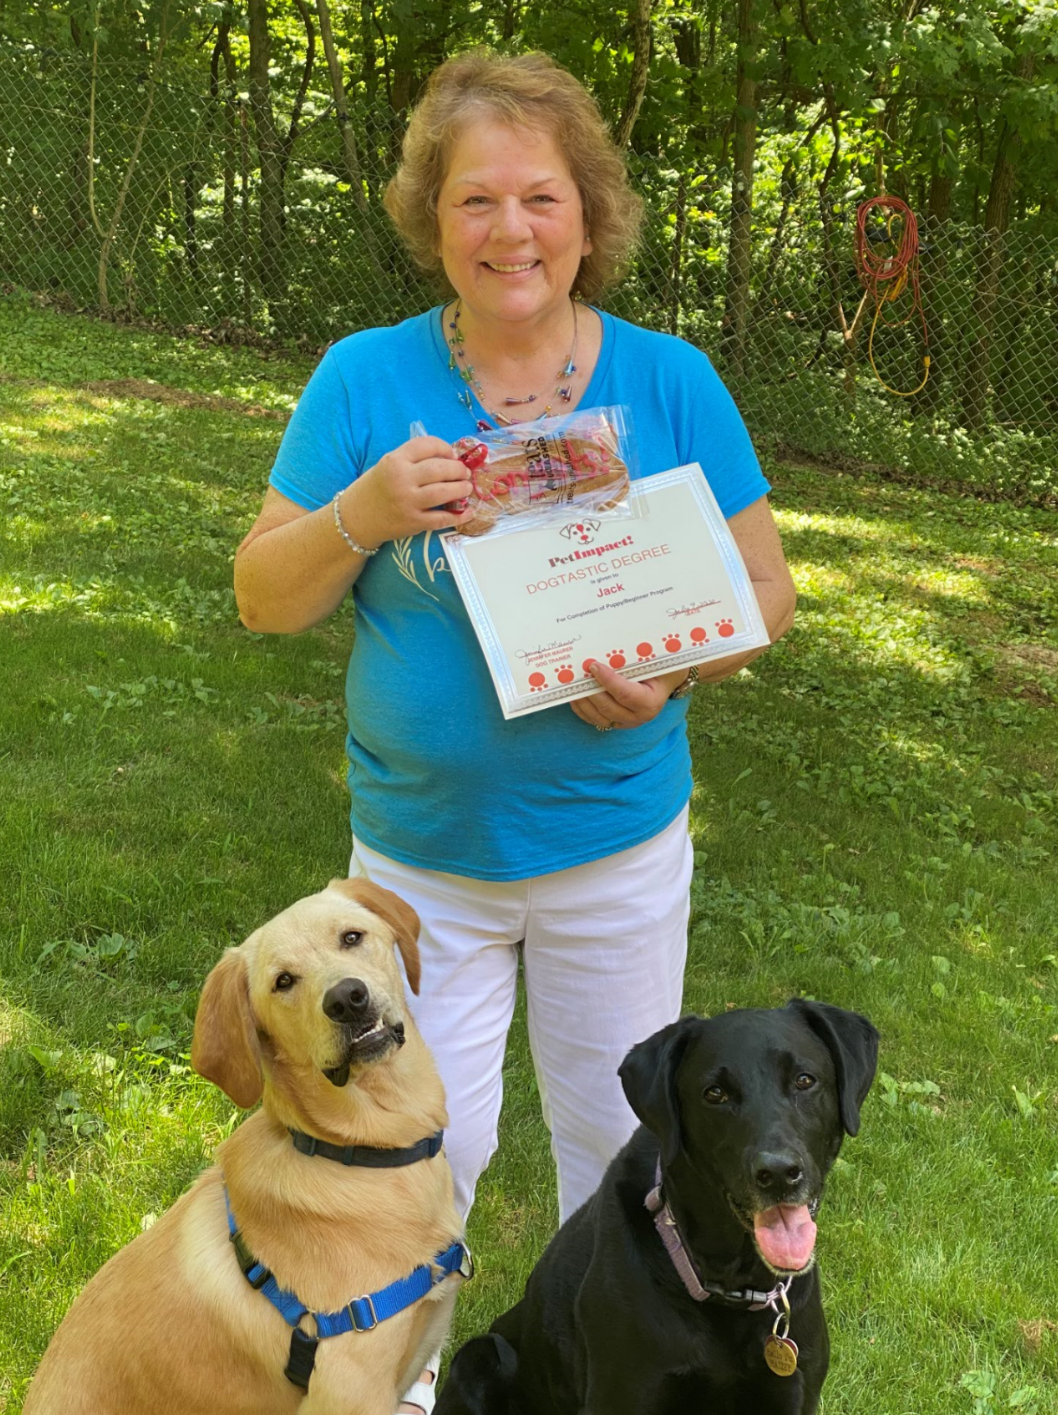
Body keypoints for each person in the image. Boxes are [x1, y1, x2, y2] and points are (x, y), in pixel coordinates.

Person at [233, 48, 796, 1414]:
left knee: (631, 1145)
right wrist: (363, 508)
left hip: (612, 846)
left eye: (538, 198)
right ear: (433, 222)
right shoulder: (366, 382)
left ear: (588, 216)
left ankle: (634, 1377)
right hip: (419, 872)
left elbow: (763, 592)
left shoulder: (668, 381)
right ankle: (401, 1385)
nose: (510, 230)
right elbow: (262, 596)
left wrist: (673, 671)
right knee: (427, 1147)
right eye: (474, 201)